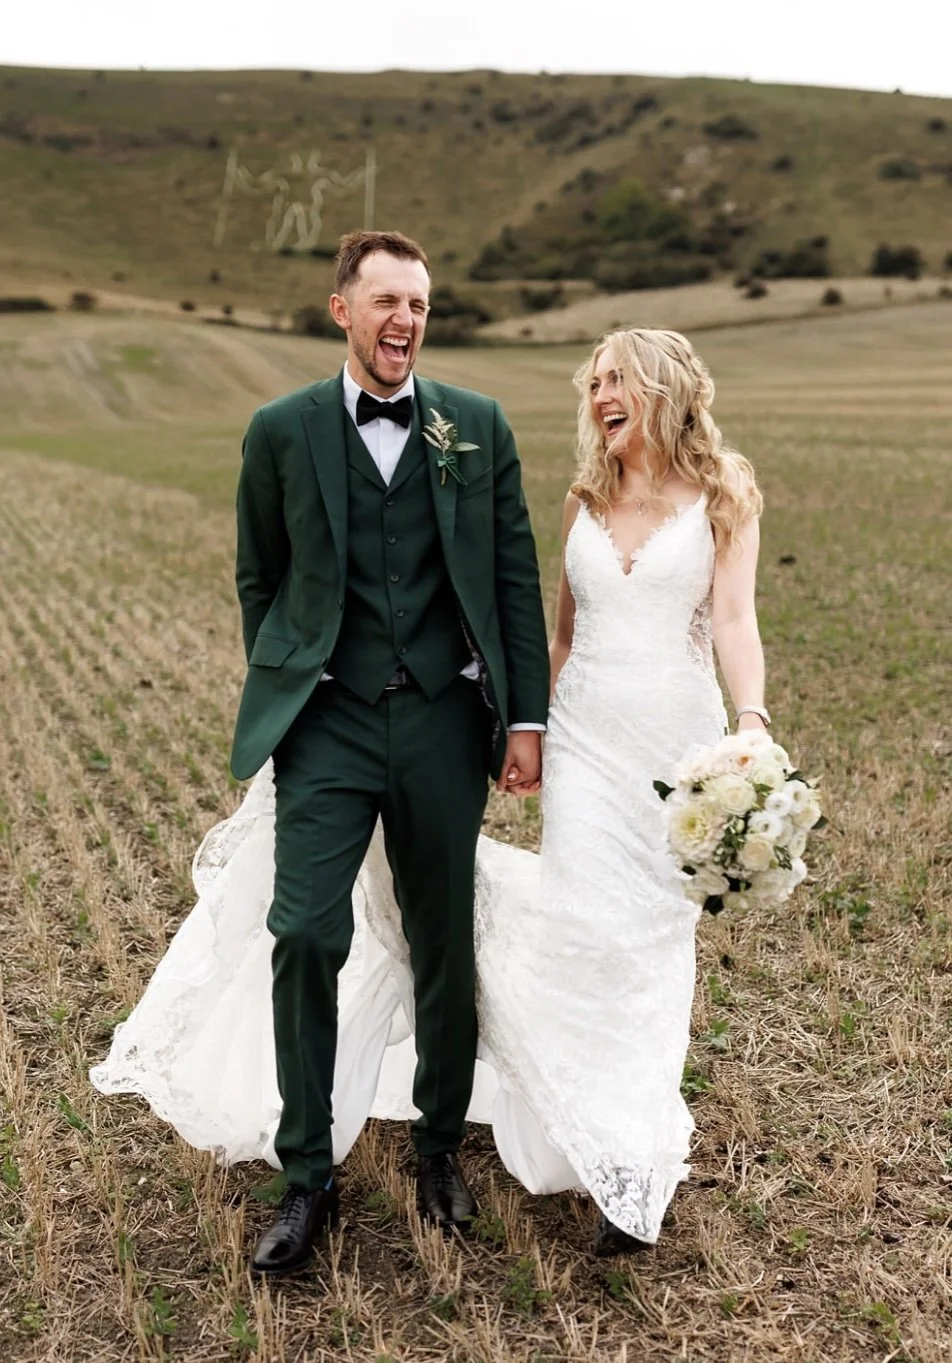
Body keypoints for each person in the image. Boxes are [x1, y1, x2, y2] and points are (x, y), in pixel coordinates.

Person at [91, 324, 767, 1263]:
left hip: (605, 737)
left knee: (566, 941)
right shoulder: (569, 499)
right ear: (344, 308)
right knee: (326, 931)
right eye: (594, 379)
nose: (600, 393)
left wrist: (746, 721)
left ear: (661, 386)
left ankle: (536, 1148)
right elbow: (267, 576)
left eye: (617, 378)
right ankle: (307, 1173)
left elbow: (697, 615)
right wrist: (302, 675)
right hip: (464, 738)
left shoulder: (497, 433)